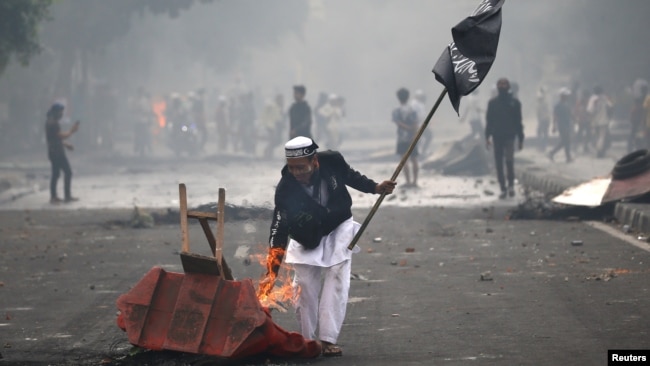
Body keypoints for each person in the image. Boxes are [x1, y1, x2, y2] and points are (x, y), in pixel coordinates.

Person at [262, 136, 396, 357]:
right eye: (291, 168)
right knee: (304, 283)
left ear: (315, 161)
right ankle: (307, 339)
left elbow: (351, 176)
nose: (297, 174)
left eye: (301, 168)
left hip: (338, 223)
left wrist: (374, 187)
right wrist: (270, 273)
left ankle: (327, 339)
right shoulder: (285, 189)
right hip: (307, 235)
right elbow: (278, 231)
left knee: (336, 273)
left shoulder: (332, 160)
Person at [485, 78, 524, 199]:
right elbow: (489, 121)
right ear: (497, 87)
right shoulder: (492, 103)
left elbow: (518, 122)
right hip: (497, 136)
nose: (502, 86)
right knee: (498, 163)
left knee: (509, 161)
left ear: (508, 86)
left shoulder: (515, 103)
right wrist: (487, 137)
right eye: (500, 84)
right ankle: (503, 187)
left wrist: (521, 138)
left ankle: (511, 185)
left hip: (510, 136)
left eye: (504, 84)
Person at [45, 103, 80, 204]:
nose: (61, 114)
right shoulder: (53, 123)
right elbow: (60, 135)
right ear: (56, 112)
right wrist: (72, 131)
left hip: (54, 151)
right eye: (61, 112)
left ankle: (54, 196)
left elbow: (55, 138)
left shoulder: (51, 121)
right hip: (57, 153)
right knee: (68, 172)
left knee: (56, 174)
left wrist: (66, 145)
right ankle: (66, 196)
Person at [392, 88, 419, 187]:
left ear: (398, 98)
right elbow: (416, 123)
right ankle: (415, 181)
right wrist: (414, 132)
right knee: (414, 159)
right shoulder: (412, 110)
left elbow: (398, 123)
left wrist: (406, 128)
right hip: (412, 136)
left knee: (404, 160)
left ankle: (408, 181)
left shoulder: (396, 110)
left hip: (402, 138)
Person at [586, 85, 613, 158]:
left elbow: (590, 110)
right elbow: (611, 106)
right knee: (601, 136)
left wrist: (590, 119)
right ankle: (599, 151)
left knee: (596, 136)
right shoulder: (605, 98)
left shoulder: (593, 99)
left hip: (594, 121)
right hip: (604, 120)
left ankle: (598, 150)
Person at [548, 88, 573, 163]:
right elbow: (555, 116)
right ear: (562, 96)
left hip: (567, 124)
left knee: (564, 141)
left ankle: (552, 153)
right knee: (566, 141)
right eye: (566, 96)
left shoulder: (566, 104)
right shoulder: (558, 105)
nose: (567, 97)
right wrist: (554, 126)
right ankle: (567, 157)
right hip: (562, 125)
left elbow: (570, 114)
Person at [411, 89, 433, 156]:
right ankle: (422, 152)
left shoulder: (415, 103)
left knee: (420, 138)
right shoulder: (417, 104)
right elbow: (420, 116)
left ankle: (420, 152)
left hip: (418, 124)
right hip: (418, 125)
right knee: (428, 136)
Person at [535, 87, 551, 152]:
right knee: (545, 133)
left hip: (543, 120)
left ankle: (542, 146)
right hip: (546, 119)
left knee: (540, 132)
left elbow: (538, 114)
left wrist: (539, 120)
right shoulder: (545, 102)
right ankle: (543, 146)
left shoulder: (541, 104)